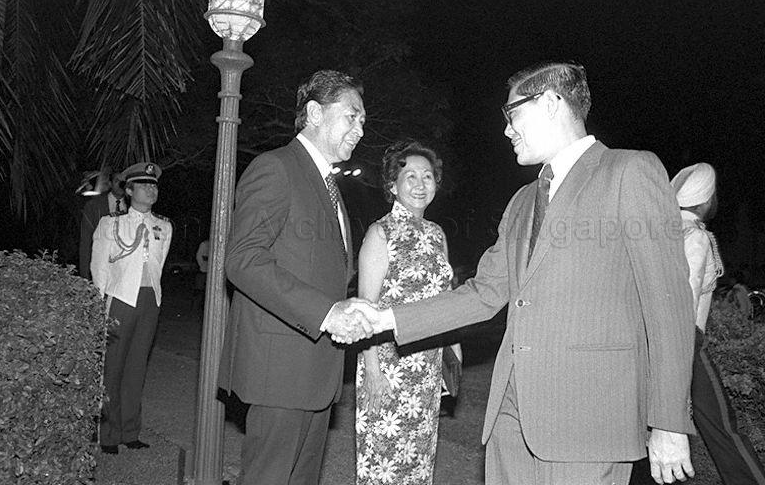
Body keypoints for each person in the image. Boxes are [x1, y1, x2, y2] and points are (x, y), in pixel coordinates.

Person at [336, 61, 697, 485]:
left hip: (589, 423)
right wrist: (386, 319)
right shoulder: (523, 201)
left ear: (549, 103)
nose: (507, 130)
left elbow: (669, 303)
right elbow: (483, 292)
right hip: (511, 421)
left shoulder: (629, 172)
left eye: (513, 115)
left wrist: (670, 421)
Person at [217, 69, 374, 485]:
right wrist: (326, 313)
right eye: (352, 115)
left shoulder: (329, 185)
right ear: (315, 113)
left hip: (316, 372)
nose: (360, 129)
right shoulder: (277, 168)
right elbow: (243, 259)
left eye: (363, 121)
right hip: (280, 373)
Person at [354, 140, 461, 484]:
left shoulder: (437, 234)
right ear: (391, 186)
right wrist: (372, 370)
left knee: (418, 462)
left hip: (427, 371)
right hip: (388, 367)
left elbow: (444, 300)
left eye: (427, 176)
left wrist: (452, 353)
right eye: (410, 176)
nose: (420, 183)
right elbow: (366, 310)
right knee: (384, 462)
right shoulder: (380, 233)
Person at [671, 163, 765, 484]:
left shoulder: (664, 234)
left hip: (661, 339)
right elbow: (685, 298)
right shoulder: (695, 237)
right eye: (714, 195)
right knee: (724, 428)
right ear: (704, 198)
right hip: (687, 341)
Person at [90, 162, 172, 455]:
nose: (151, 190)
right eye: (144, 185)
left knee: (137, 368)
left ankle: (130, 431)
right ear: (128, 190)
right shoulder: (111, 224)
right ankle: (108, 434)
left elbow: (157, 267)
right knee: (112, 368)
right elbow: (99, 268)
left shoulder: (165, 225)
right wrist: (100, 305)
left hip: (150, 300)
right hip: (120, 298)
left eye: (154, 186)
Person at [79, 167, 128, 279]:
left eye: (123, 182)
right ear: (110, 183)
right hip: (100, 268)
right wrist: (84, 275)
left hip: (124, 271)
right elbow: (86, 241)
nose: (121, 184)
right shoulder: (94, 206)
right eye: (117, 181)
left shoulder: (133, 207)